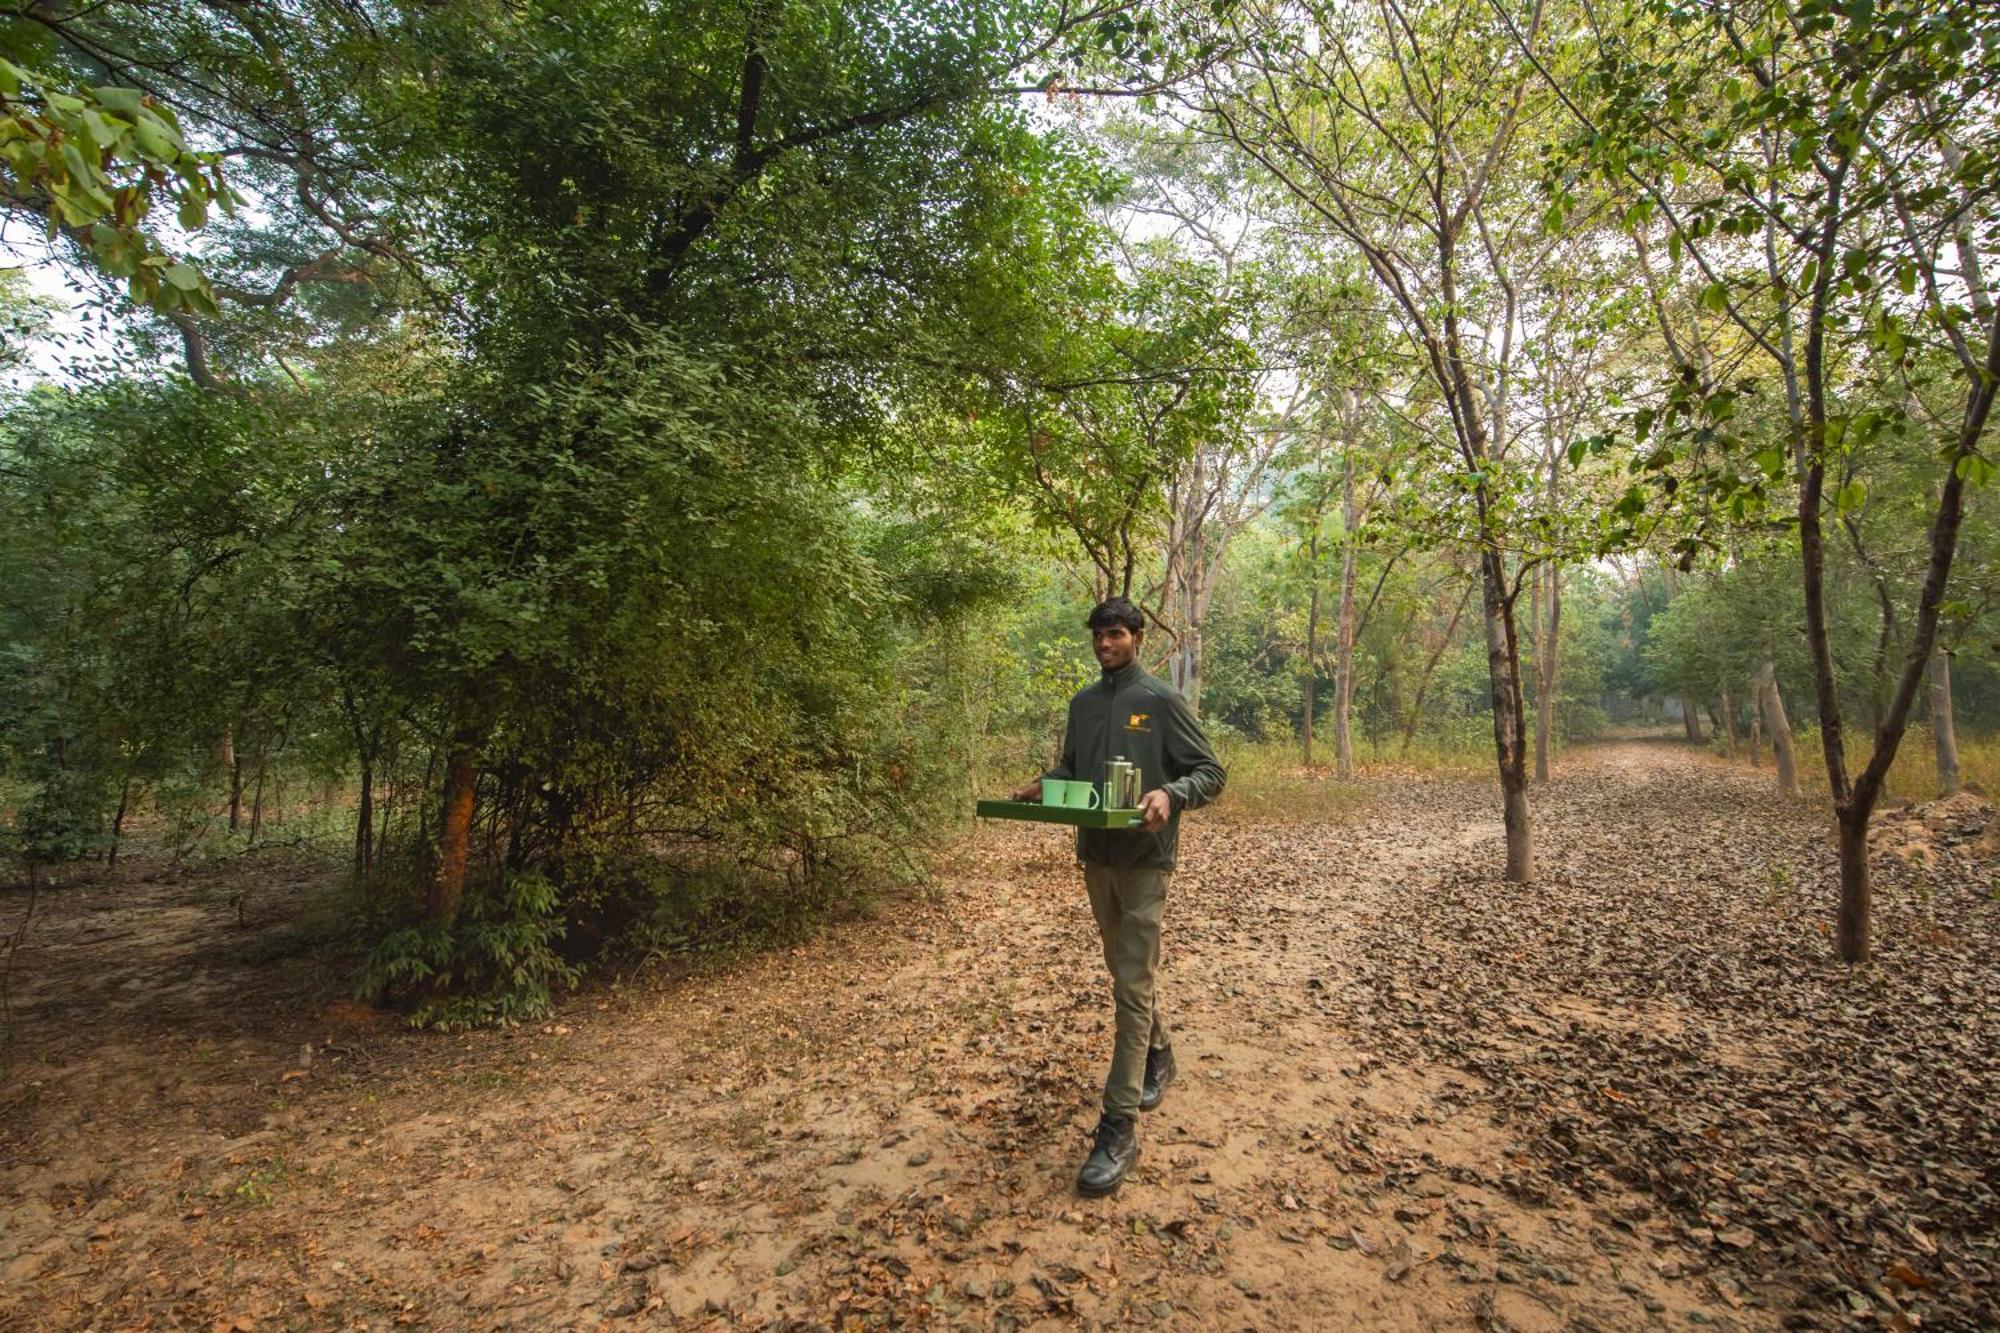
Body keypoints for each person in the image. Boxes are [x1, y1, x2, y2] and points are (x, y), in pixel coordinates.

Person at [1010, 596, 1226, 1196]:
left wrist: (1171, 794)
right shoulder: (1082, 704)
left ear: (1136, 637)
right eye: (1098, 637)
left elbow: (1209, 771)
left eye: (1115, 635)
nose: (1105, 645)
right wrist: (1043, 785)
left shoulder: (1159, 700)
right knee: (1123, 971)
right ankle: (1160, 1052)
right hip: (1096, 857)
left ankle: (1118, 1127)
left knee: (1132, 982)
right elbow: (1073, 770)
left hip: (1146, 862)